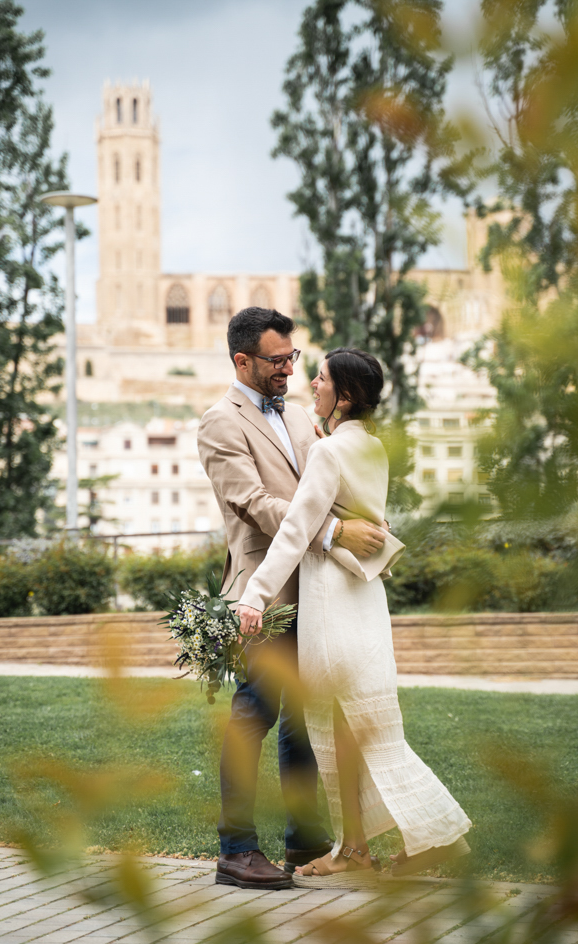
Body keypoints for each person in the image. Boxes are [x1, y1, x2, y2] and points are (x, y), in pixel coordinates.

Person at [237, 347, 472, 889]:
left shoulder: (327, 455)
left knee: (347, 730)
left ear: (343, 396)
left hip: (331, 601)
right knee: (365, 730)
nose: (311, 386)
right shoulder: (371, 449)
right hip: (365, 599)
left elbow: (295, 531)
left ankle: (429, 840)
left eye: (319, 379)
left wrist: (254, 597)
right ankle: (363, 849)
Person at [197, 308, 388, 890]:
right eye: (277, 360)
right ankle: (236, 851)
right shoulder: (219, 424)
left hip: (320, 593)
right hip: (264, 592)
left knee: (303, 722)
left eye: (293, 358)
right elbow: (254, 503)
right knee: (255, 714)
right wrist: (332, 532)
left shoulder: (305, 417)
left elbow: (327, 487)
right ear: (242, 361)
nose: (288, 369)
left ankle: (304, 841)